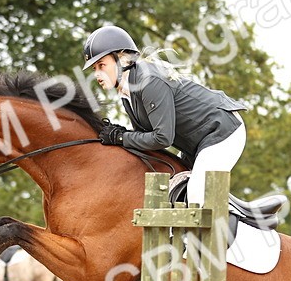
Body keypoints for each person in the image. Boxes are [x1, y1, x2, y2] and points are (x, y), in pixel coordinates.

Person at [83, 25, 247, 206]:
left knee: (196, 197)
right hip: (196, 143)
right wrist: (122, 135)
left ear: (120, 59)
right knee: (175, 195)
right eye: (94, 69)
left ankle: (230, 232)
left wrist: (121, 137)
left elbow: (162, 138)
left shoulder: (149, 81)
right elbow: (145, 137)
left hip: (223, 130)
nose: (97, 74)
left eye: (101, 66)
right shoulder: (126, 92)